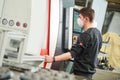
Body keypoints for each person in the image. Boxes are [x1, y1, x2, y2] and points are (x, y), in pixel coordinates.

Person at [45, 7, 102, 80]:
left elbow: (71, 54)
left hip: (80, 74)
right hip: (88, 74)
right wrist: (79, 39)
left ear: (86, 19)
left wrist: (53, 59)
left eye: (80, 17)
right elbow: (91, 46)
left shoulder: (85, 35)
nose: (78, 20)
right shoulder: (98, 33)